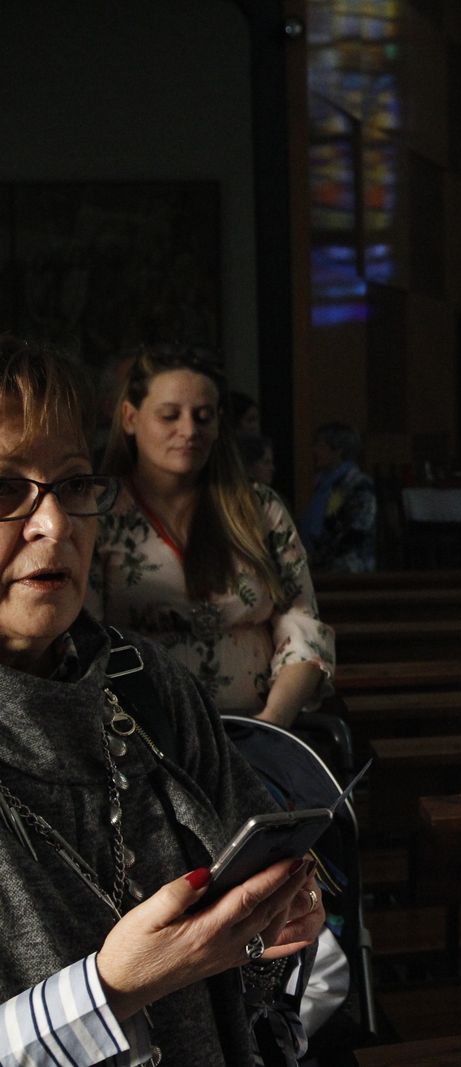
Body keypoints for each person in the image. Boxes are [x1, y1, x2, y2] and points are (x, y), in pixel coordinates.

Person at [0, 337, 323, 1065]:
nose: (53, 526)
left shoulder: (145, 683)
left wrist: (272, 927)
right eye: (4, 490)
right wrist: (109, 989)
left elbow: (255, 968)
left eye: (75, 485)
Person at [91, 345, 334, 724]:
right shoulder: (98, 512)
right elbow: (85, 640)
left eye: (203, 417)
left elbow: (301, 623)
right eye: (169, 415)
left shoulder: (258, 507)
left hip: (256, 725)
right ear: (129, 418)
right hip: (143, 733)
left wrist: (270, 725)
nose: (189, 431)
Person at [300, 422, 377, 574]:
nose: (314, 451)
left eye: (320, 446)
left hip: (349, 568)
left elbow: (356, 530)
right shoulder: (324, 485)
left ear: (338, 450)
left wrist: (320, 556)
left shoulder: (358, 485)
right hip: (322, 565)